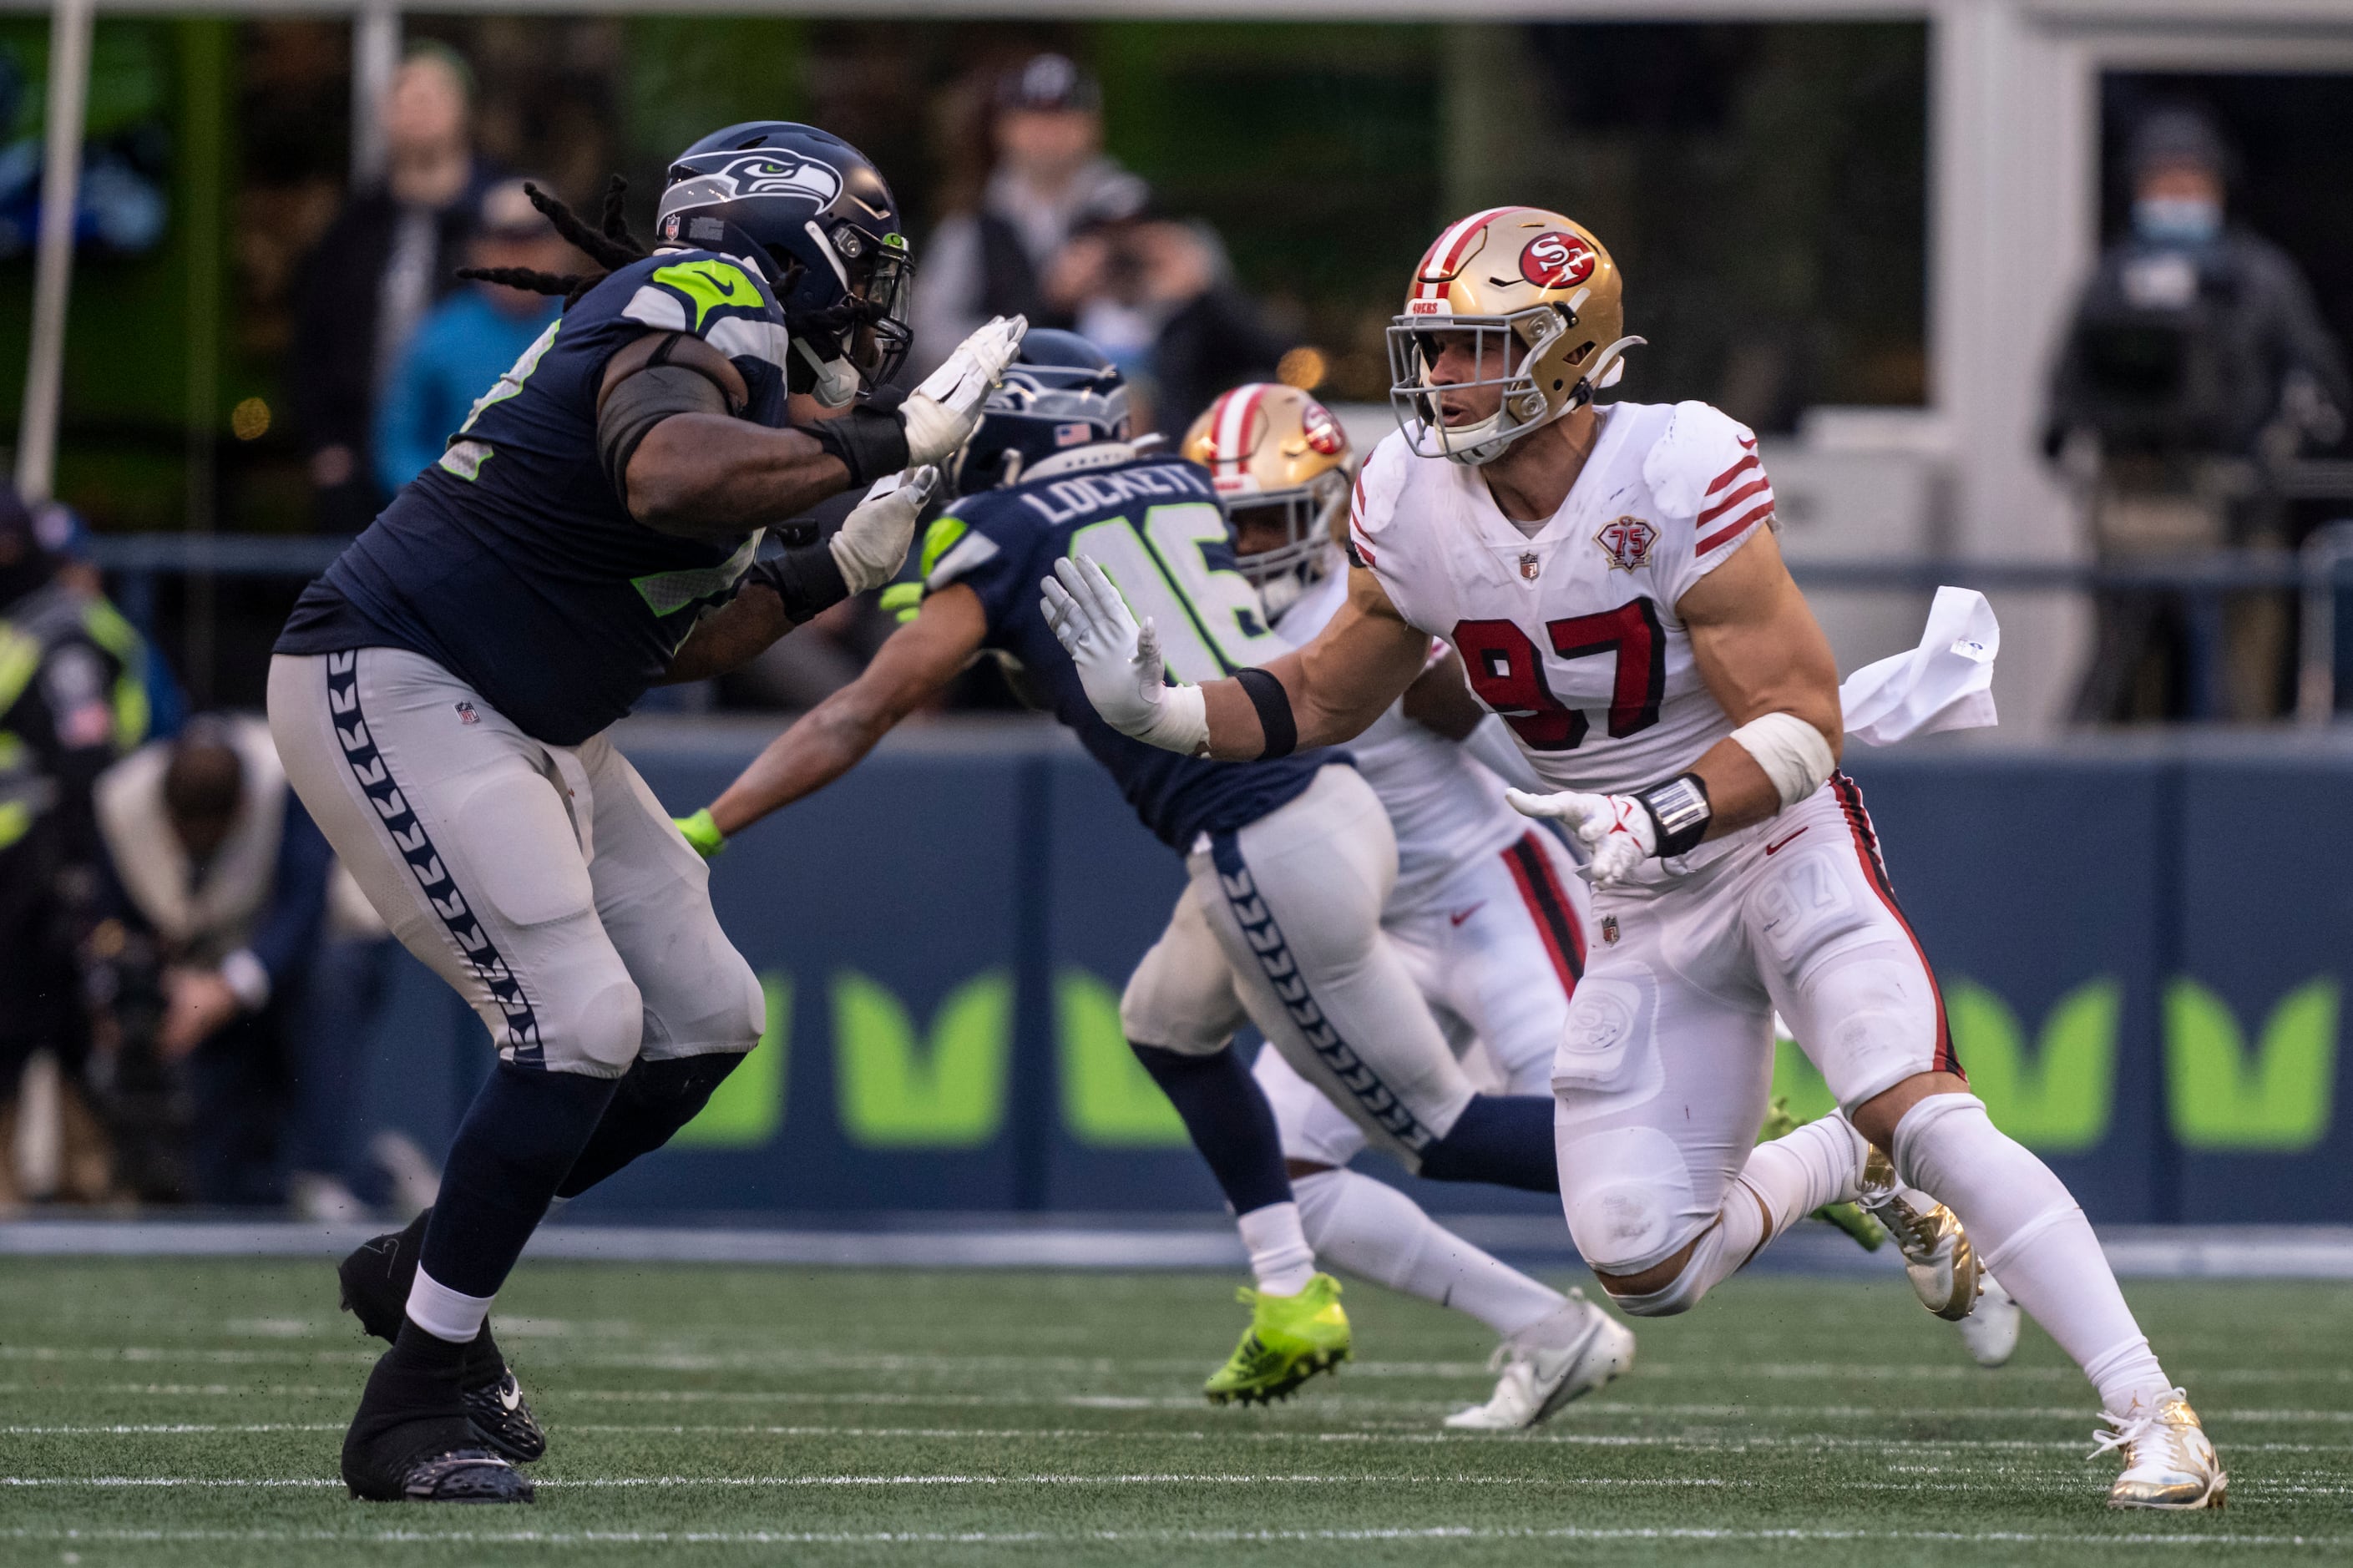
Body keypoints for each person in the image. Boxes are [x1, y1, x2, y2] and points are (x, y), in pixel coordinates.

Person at [1045, 207, 2219, 1510]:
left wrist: (1664, 808)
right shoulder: (1410, 502)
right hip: (1637, 895)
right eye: (1431, 349)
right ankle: (1843, 1159)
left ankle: (2149, 1409)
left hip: (1772, 842)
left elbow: (1803, 720)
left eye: (1474, 349)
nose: (1439, 379)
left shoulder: (1675, 463)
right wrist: (1164, 711)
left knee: (1919, 1100)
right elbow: (1325, 693)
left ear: (1563, 352)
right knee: (1643, 1259)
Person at [266, 119, 1025, 1504]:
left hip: (536, 711)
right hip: (403, 673)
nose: (873, 293)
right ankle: (415, 1396)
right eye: (860, 256)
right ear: (779, 237)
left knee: (700, 1016)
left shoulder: (738, 366)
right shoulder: (706, 297)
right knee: (581, 1022)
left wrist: (819, 574)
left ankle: (422, 1263)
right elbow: (659, 474)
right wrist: (875, 443)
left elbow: (668, 632)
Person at [681, 331, 1585, 1410]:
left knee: (1438, 1129)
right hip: (1318, 804)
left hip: (1266, 838)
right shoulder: (1184, 479)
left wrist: (711, 825)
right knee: (1164, 1026)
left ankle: (1728, 1160)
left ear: (1011, 426)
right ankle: (1292, 1288)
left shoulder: (1001, 530)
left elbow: (860, 708)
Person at [1187, 382, 1633, 1426]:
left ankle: (1848, 1168)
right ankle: (1547, 1331)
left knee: (1610, 1170)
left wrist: (1593, 816)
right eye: (1226, 517)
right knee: (1283, 1173)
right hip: (1361, 930)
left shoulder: (1368, 604)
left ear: (1328, 503)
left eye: (1264, 514)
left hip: (1485, 888)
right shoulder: (1202, 611)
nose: (1243, 540)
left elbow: (1480, 724)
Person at [2047, 108, 2350, 721]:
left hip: (2237, 507)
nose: (2175, 198)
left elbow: (2320, 384)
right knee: (2128, 680)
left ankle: (2244, 806)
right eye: (2162, 184)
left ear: (2217, 188)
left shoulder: (2260, 279)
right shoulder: (2110, 281)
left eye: (2190, 184)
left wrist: (2271, 459)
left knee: (2240, 685)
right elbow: (2065, 391)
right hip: (2132, 505)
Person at [90, 716, 332, 1208]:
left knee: (334, 980)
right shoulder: (120, 798)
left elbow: (303, 906)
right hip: (181, 966)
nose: (198, 844)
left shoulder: (282, 779)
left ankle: (322, 1177)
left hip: (276, 961)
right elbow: (109, 918)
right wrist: (118, 994)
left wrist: (228, 988)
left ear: (241, 807)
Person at [0, 487, 150, 1207]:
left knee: (52, 1019)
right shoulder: (26, 624)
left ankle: (93, 1173)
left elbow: (83, 762)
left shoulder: (61, 634)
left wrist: (71, 873)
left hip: (41, 861)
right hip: (32, 859)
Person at [291, 44, 494, 533]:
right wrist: (325, 443)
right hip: (360, 465)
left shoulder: (502, 223)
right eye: (406, 96)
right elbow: (312, 338)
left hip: (477, 459)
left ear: (464, 110)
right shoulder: (354, 225)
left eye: (434, 95)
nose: (418, 109)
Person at [910, 53, 1147, 375]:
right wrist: (1043, 307)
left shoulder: (1135, 208)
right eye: (1034, 116)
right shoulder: (973, 222)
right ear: (1005, 127)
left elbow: (1183, 322)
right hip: (1008, 410)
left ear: (1094, 126)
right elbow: (930, 335)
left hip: (1121, 401)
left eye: (1064, 115)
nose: (1049, 132)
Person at [372, 178, 574, 498]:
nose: (521, 253)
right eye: (505, 238)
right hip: (459, 519)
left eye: (536, 237)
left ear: (562, 247)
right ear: (479, 249)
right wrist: (442, 497)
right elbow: (396, 446)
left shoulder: (586, 326)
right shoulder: (439, 336)